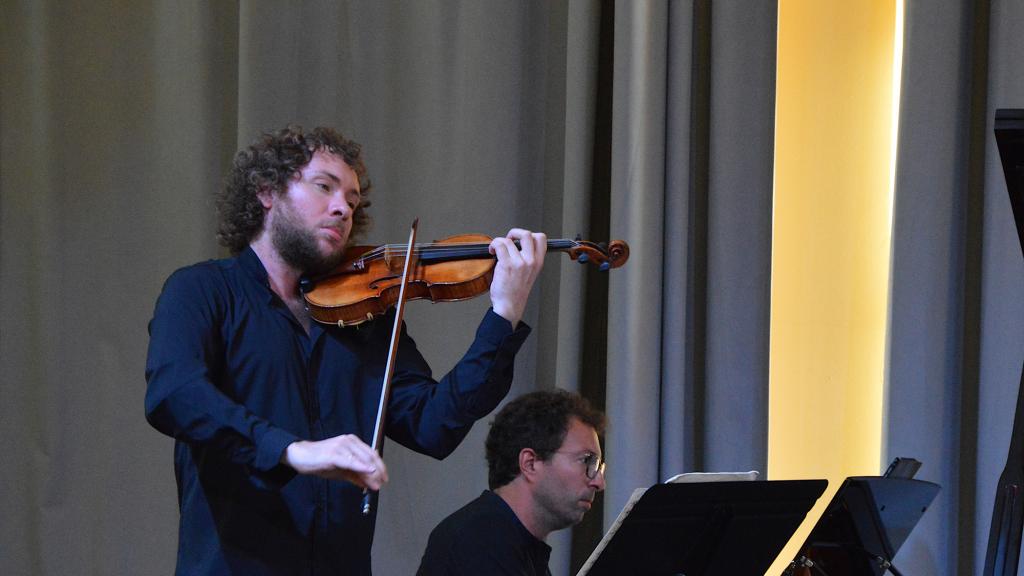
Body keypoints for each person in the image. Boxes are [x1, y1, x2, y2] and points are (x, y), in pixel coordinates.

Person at [144, 126, 547, 575]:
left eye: (353, 203)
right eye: (325, 187)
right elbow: (174, 395)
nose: (342, 209)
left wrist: (503, 315)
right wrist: (290, 450)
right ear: (266, 192)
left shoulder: (366, 320)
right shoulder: (201, 291)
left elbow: (433, 425)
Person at [416, 389, 606, 575]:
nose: (599, 482)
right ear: (530, 464)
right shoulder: (479, 541)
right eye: (587, 460)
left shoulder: (508, 543)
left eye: (598, 466)